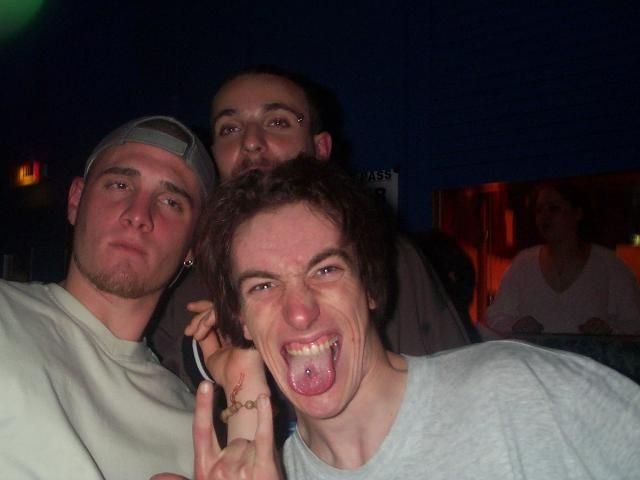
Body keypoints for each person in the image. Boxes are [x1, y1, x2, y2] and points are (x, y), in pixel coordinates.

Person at [160, 157, 640, 480]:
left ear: (370, 285)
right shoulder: (269, 472)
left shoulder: (516, 392)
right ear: (241, 320)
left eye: (326, 270)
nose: (300, 311)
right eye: (263, 286)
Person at [150, 65, 471, 391]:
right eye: (229, 128)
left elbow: (452, 389)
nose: (251, 142)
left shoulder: (390, 260)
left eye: (278, 122)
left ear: (320, 149)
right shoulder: (183, 291)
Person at [0, 115, 217, 479]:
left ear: (193, 245)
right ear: (75, 200)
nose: (138, 215)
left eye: (170, 202)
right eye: (119, 185)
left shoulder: (196, 433)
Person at [486, 181, 640, 335]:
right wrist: (515, 325)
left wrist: (609, 330)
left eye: (554, 208)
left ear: (577, 213)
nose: (544, 216)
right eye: (539, 210)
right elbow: (495, 316)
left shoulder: (610, 266)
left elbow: (635, 323)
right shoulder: (523, 264)